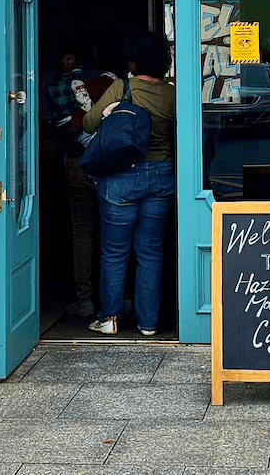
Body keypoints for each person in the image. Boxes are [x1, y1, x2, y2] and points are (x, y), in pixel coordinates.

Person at [82, 31, 176, 336]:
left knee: (114, 251)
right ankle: (148, 323)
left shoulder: (122, 87)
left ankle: (109, 318)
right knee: (150, 251)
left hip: (121, 177)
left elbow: (88, 122)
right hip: (160, 175)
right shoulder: (171, 93)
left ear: (134, 59)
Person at [40, 45, 116, 317]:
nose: (66, 59)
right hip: (107, 161)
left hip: (77, 160)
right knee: (113, 233)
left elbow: (49, 119)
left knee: (82, 233)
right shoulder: (110, 83)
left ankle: (85, 301)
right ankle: (119, 299)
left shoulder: (51, 85)